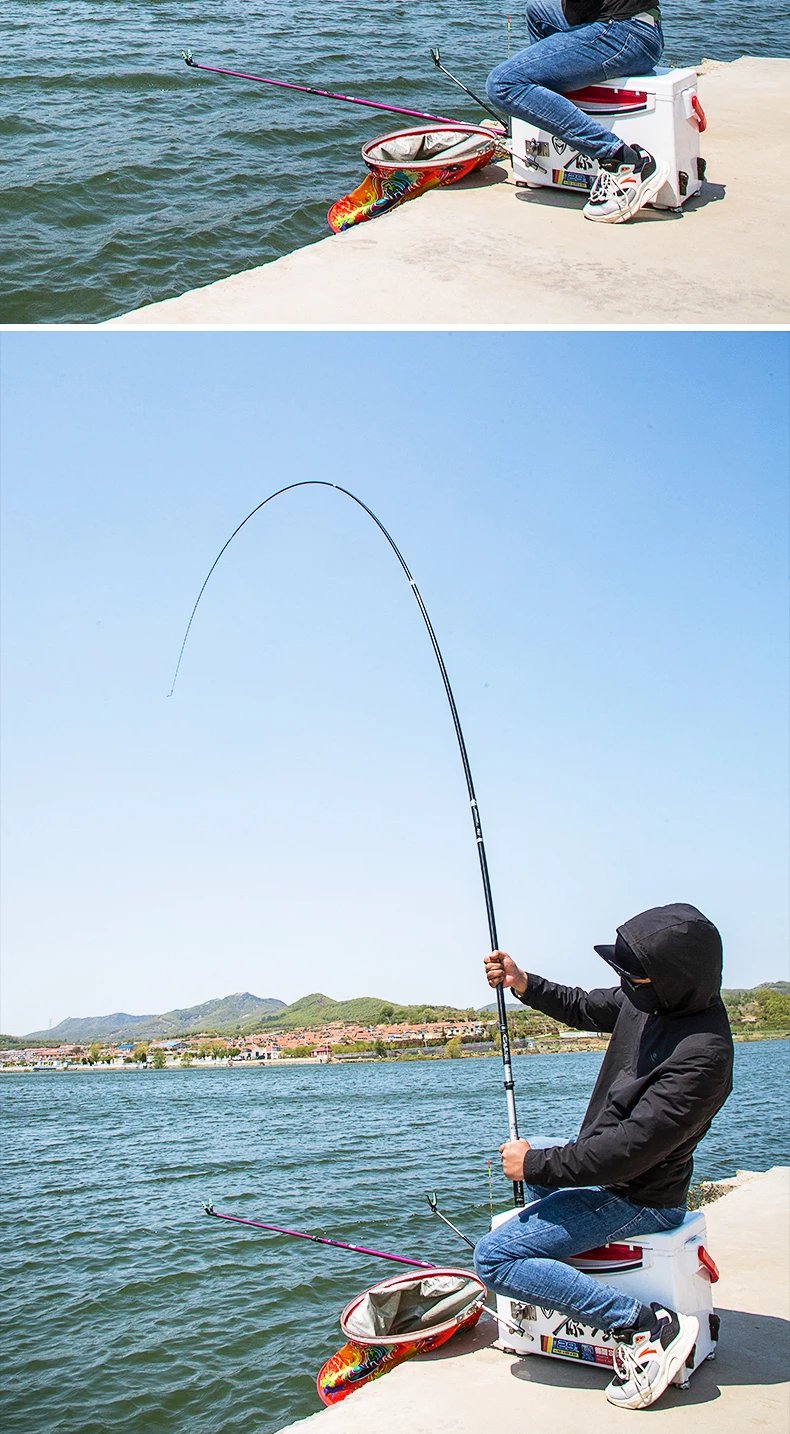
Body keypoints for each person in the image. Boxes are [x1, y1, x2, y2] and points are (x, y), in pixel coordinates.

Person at [474, 902, 734, 1409]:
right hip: (611, 1174)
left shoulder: (704, 1055)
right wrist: (523, 982)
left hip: (639, 1197)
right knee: (539, 1170)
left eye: (633, 976)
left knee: (495, 1258)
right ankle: (572, 1280)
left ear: (669, 978)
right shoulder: (654, 997)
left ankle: (646, 1326)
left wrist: (534, 1164)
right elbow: (586, 1007)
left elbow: (629, 1151)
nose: (624, 984)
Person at [486, 1, 669, 223]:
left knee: (503, 84)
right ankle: (556, 125)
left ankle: (622, 160)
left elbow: (576, 11)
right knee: (538, 11)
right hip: (642, 25)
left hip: (626, 34)